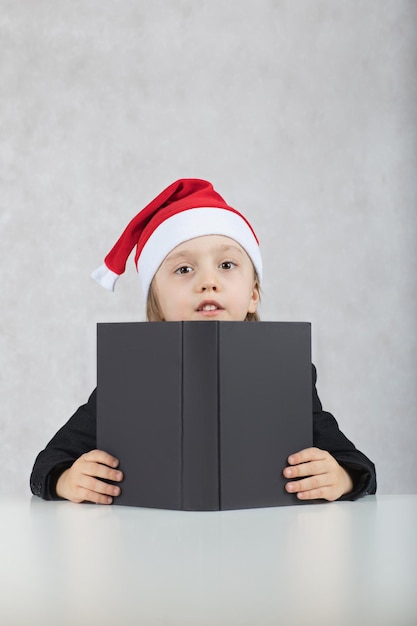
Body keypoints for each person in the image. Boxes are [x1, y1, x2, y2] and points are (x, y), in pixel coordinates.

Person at [30, 178, 376, 505]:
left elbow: (359, 466)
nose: (208, 281)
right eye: (184, 270)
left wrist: (342, 478)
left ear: (253, 295)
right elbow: (49, 463)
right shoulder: (128, 376)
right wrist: (66, 480)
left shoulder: (286, 372)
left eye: (226, 264)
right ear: (157, 303)